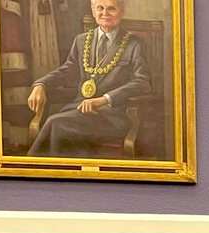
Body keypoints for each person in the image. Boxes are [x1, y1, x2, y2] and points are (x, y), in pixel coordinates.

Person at [26, 0, 151, 157]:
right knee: (57, 123)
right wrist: (41, 84)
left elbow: (142, 82)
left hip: (111, 116)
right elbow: (66, 70)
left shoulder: (134, 45)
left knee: (55, 123)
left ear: (121, 12)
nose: (105, 13)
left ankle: (36, 168)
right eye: (100, 8)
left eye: (111, 8)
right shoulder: (81, 40)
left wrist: (104, 100)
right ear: (93, 11)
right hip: (78, 110)